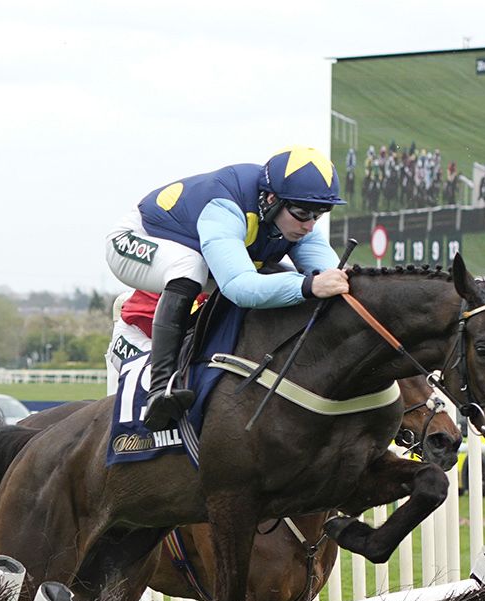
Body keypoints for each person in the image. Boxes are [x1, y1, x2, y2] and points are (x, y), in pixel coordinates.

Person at [103, 145, 350, 430]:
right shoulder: (225, 206)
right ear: (271, 199)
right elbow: (240, 287)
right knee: (190, 266)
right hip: (132, 240)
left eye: (319, 215)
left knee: (278, 276)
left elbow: (334, 275)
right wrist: (309, 285)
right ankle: (161, 388)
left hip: (191, 257)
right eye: (302, 213)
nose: (309, 225)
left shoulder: (289, 215)